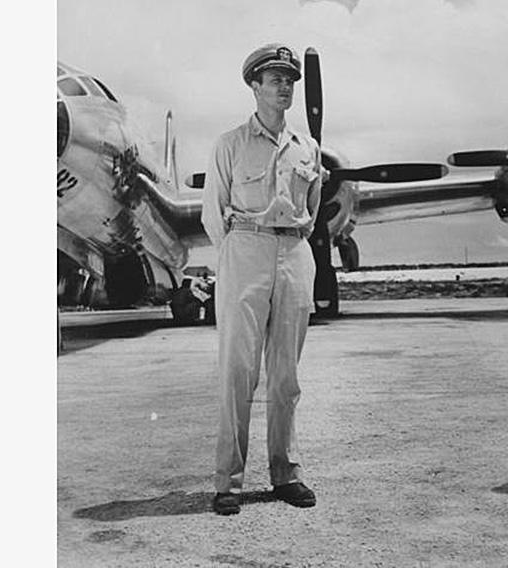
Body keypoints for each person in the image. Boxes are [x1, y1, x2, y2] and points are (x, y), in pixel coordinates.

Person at [201, 43, 322, 516]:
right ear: (254, 86)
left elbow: (311, 210)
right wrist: (241, 250)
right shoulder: (229, 144)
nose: (285, 86)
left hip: (294, 251)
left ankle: (285, 473)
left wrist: (293, 238)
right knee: (237, 372)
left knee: (286, 375)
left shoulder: (307, 148)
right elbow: (214, 215)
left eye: (289, 78)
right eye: (274, 79)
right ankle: (227, 482)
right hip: (245, 250)